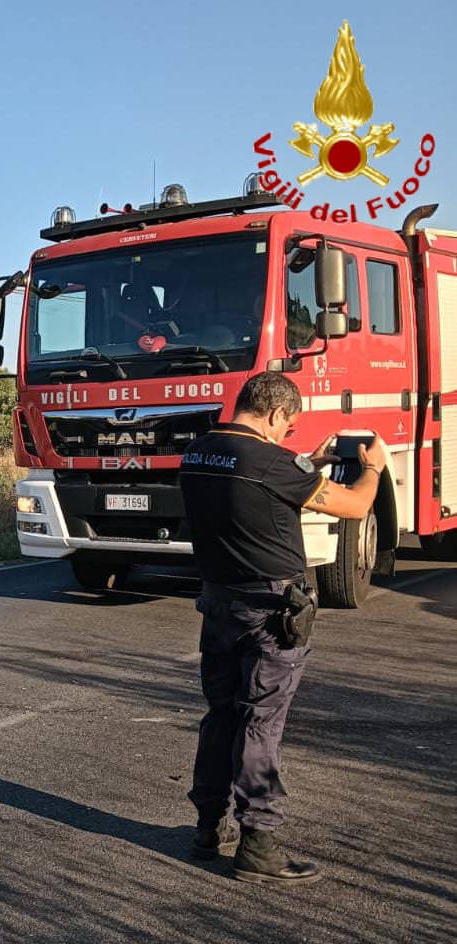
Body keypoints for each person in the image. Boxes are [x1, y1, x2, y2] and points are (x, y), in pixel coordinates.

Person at [179, 371, 387, 885]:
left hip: (219, 604)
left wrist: (304, 466)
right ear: (275, 413)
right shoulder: (273, 461)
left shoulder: (198, 451)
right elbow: (357, 505)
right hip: (271, 613)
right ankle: (258, 844)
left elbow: (251, 489)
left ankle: (209, 827)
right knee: (261, 723)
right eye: (288, 425)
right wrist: (375, 470)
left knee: (221, 714)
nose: (288, 434)